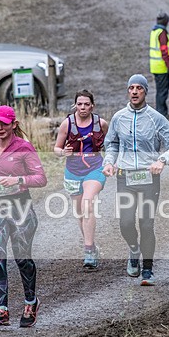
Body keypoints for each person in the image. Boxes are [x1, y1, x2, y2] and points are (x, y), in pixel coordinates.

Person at [102, 74, 169, 286]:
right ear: (128, 91)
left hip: (149, 178)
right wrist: (109, 162)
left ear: (146, 92)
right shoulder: (119, 118)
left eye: (139, 88)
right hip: (126, 176)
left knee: (146, 224)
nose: (135, 91)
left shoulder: (155, 118)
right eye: (131, 88)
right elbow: (111, 143)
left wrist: (163, 160)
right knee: (126, 222)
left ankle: (147, 269)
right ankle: (133, 249)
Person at [0, 105, 47, 327]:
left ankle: (30, 302)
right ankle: (2, 309)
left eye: (4, 124)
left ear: (13, 125)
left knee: (22, 258)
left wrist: (18, 180)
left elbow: (41, 178)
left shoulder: (24, 147)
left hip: (20, 208)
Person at [53, 89, 109, 270]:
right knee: (79, 213)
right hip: (73, 170)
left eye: (86, 104)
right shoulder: (66, 124)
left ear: (92, 105)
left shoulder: (101, 123)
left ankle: (88, 252)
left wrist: (112, 162)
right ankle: (92, 246)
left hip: (95, 168)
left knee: (88, 203)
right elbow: (56, 148)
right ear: (75, 105)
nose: (83, 107)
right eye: (80, 104)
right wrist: (63, 152)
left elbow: (111, 144)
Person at [149, 11, 169, 119]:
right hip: (161, 67)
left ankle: (162, 112)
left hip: (155, 66)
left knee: (160, 91)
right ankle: (161, 114)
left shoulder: (154, 31)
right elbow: (164, 51)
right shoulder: (162, 33)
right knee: (162, 91)